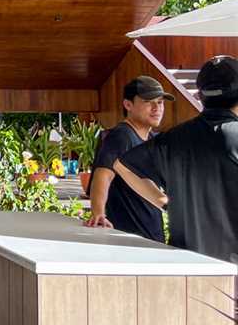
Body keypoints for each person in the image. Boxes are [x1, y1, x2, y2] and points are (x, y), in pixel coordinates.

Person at [112, 56, 238, 263]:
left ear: (201, 95)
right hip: (231, 270)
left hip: (184, 264)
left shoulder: (173, 138)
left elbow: (123, 166)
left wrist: (165, 203)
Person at [83, 76, 171, 240]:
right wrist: (99, 214)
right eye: (148, 101)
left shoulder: (151, 139)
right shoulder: (122, 136)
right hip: (129, 237)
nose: (156, 108)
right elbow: (102, 175)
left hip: (150, 235)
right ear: (128, 104)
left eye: (160, 102)